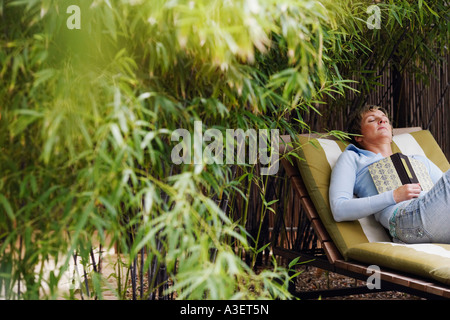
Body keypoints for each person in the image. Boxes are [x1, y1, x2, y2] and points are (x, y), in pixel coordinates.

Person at [329, 105, 450, 244]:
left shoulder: (419, 160)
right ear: (358, 136)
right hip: (406, 220)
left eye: (384, 118)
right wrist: (394, 196)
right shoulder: (354, 158)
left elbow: (444, 194)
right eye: (372, 120)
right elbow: (339, 209)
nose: (382, 121)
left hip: (441, 222)